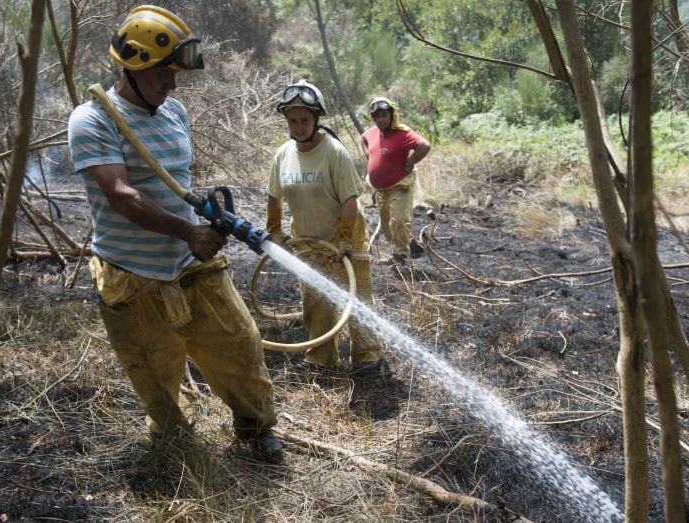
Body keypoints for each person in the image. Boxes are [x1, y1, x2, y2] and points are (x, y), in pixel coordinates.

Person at [67, 5, 282, 463]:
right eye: (163, 73)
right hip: (134, 277)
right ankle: (177, 453)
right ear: (133, 66)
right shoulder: (93, 119)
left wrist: (208, 219)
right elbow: (121, 195)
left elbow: (177, 181)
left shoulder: (174, 112)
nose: (172, 83)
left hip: (192, 265)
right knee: (157, 375)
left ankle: (256, 431)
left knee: (240, 346)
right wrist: (188, 231)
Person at [266, 80, 384, 376]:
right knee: (316, 303)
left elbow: (350, 200)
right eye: (292, 120)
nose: (298, 126)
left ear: (316, 119)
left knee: (357, 300)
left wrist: (344, 238)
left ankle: (368, 357)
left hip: (346, 237)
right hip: (308, 240)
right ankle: (321, 359)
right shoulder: (283, 154)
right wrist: (275, 231)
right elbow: (273, 197)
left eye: (304, 120)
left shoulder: (334, 152)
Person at [361, 97, 431, 266]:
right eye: (376, 116)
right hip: (380, 190)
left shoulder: (403, 133)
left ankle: (401, 258)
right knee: (387, 225)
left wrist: (411, 161)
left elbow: (425, 145)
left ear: (392, 115)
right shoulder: (371, 133)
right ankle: (398, 251)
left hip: (400, 187)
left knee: (399, 220)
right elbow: (363, 139)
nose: (380, 119)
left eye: (384, 115)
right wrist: (368, 156)